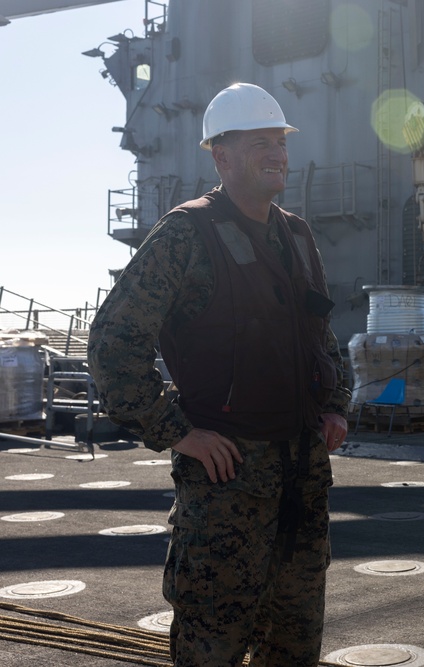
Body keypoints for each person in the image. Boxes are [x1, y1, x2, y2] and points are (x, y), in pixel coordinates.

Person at [88, 82, 352, 667]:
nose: (277, 154)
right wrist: (176, 431)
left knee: (295, 641)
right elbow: (113, 340)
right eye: (260, 143)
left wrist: (335, 406)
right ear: (221, 156)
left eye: (279, 141)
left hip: (302, 477)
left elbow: (323, 338)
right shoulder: (187, 234)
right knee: (213, 645)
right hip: (227, 480)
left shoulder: (299, 237)